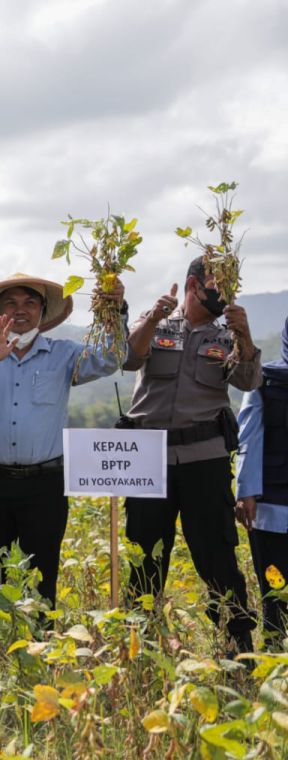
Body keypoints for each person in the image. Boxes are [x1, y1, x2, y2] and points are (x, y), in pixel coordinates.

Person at [0, 272, 126, 609]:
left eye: (30, 302)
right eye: (11, 303)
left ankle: (41, 649)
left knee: (42, 575)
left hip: (45, 484)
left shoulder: (63, 354)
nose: (21, 310)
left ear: (43, 312)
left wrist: (115, 312)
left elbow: (110, 358)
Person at [123, 257, 260, 655]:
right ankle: (141, 648)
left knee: (217, 553)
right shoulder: (158, 324)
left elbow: (249, 380)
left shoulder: (228, 334)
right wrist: (151, 319)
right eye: (215, 285)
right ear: (193, 285)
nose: (222, 294)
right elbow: (128, 358)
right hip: (148, 458)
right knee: (145, 554)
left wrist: (245, 336)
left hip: (205, 459)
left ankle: (237, 645)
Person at [236, 315, 288, 647]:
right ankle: (274, 658)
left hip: (271, 502)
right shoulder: (265, 378)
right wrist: (246, 493)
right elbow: (249, 436)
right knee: (274, 592)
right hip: (271, 505)